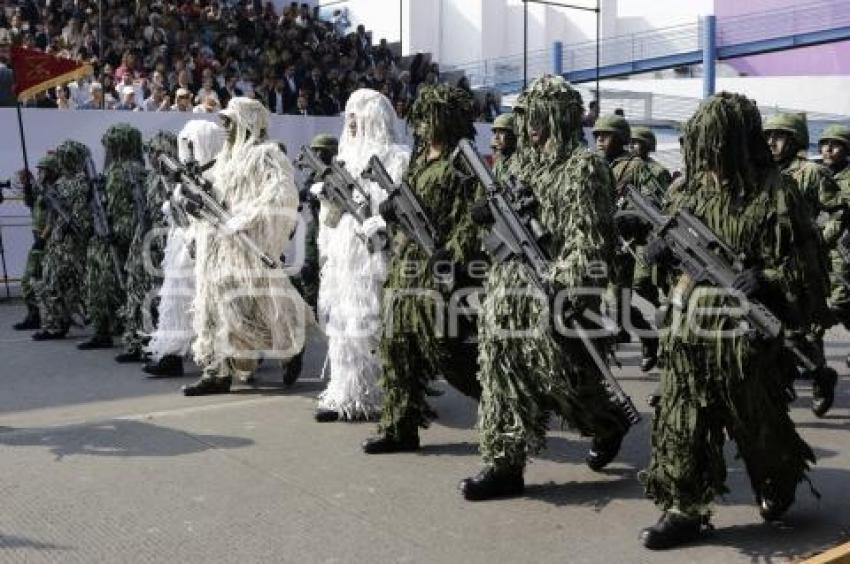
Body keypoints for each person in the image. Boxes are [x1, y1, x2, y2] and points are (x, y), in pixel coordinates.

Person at [640, 92, 816, 550]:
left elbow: (805, 273)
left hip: (745, 341)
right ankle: (684, 508)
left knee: (756, 423)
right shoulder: (688, 190)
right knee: (681, 418)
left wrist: (769, 279)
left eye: (714, 146)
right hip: (686, 331)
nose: (707, 158)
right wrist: (656, 254)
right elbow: (668, 261)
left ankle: (778, 478)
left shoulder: (776, 193)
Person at [460, 75, 631, 500]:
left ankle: (607, 420)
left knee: (563, 380)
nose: (531, 126)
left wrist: (564, 285)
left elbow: (590, 242)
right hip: (507, 290)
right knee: (501, 372)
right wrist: (485, 216)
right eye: (527, 118)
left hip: (555, 290)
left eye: (540, 117)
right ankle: (503, 463)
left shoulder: (583, 168)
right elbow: (498, 229)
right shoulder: (518, 164)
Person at [361, 84, 482, 454]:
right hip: (408, 265)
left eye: (432, 116)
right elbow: (408, 206)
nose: (424, 124)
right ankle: (400, 426)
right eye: (422, 117)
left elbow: (469, 219)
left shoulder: (463, 161)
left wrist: (455, 255)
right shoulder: (419, 158)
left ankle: (501, 400)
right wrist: (390, 212)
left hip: (439, 267)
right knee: (397, 346)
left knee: (447, 351)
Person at [182, 97, 314, 395]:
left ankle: (291, 347)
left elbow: (282, 196)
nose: (224, 126)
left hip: (248, 246)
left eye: (229, 121)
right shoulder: (224, 160)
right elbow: (212, 198)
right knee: (213, 305)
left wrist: (245, 218)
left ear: (247, 122)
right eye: (223, 120)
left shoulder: (267, 155)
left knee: (259, 306)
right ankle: (216, 371)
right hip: (217, 248)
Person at [314, 89, 410, 423]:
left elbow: (402, 208)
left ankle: (387, 393)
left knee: (374, 325)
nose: (351, 122)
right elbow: (330, 219)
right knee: (342, 325)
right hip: (344, 255)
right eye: (348, 114)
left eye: (359, 114)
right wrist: (327, 203)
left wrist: (381, 224)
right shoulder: (344, 159)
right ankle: (346, 393)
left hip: (376, 254)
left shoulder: (396, 157)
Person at [764, 112, 841, 417]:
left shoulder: (811, 172)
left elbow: (839, 210)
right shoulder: (761, 173)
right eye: (768, 136)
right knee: (769, 328)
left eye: (779, 136)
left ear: (795, 140)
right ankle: (780, 382)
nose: (772, 142)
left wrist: (822, 238)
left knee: (807, 332)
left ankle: (822, 378)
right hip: (768, 267)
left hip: (803, 267)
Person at [144, 120, 225, 378]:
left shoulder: (220, 177)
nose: (187, 150)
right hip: (182, 248)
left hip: (210, 247)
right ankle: (171, 354)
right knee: (176, 301)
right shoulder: (186, 177)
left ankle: (226, 359)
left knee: (216, 305)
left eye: (191, 145)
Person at [593, 114, 664, 372]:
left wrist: (635, 219)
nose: (600, 140)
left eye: (606, 136)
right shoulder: (596, 165)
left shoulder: (635, 167)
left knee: (616, 302)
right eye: (597, 136)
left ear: (620, 139)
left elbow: (656, 204)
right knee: (603, 301)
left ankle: (647, 338)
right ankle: (643, 337)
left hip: (626, 246)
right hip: (601, 243)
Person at [78, 124, 147, 350]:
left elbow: (131, 208)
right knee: (111, 285)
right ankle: (118, 329)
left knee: (116, 285)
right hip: (117, 235)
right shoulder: (136, 169)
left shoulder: (124, 171)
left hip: (120, 236)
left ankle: (118, 332)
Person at [115, 131, 178, 364]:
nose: (151, 156)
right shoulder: (152, 178)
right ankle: (139, 344)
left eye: (155, 151)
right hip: (144, 243)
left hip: (163, 246)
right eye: (149, 152)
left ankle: (164, 349)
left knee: (161, 299)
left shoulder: (176, 179)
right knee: (137, 294)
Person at [32, 141, 93, 341]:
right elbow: (51, 215)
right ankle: (56, 324)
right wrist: (44, 238)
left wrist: (73, 225)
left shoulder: (84, 182)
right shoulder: (58, 185)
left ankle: (68, 321)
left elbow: (85, 213)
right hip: (58, 242)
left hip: (75, 242)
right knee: (53, 283)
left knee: (74, 284)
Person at [14, 156, 58, 331]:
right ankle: (35, 315)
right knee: (30, 280)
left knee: (36, 279)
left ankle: (50, 317)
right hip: (39, 237)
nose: (40, 173)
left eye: (43, 170)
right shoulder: (41, 189)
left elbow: (53, 217)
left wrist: (43, 238)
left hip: (47, 240)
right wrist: (26, 186)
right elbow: (31, 203)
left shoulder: (54, 190)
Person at [818, 124, 850, 367]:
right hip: (816, 247)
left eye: (835, 144)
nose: (828, 149)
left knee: (839, 303)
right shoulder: (815, 172)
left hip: (842, 249)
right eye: (825, 144)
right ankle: (812, 359)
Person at [490, 113, 516, 183]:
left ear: (513, 134)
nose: (496, 137)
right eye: (495, 132)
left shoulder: (521, 163)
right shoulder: (500, 162)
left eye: (501, 132)